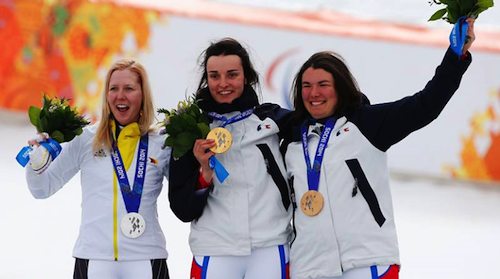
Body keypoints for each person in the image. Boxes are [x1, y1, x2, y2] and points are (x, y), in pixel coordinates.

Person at [282, 19, 475, 279]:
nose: (314, 93)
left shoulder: (367, 124)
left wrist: (455, 57)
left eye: (323, 85)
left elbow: (426, 104)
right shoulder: (290, 140)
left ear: (340, 88)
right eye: (306, 86)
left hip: (368, 262)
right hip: (309, 268)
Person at [25, 59, 171, 279]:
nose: (120, 96)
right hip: (93, 259)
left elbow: (187, 197)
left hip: (146, 259)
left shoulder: (160, 143)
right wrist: (35, 163)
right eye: (114, 88)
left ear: (143, 95)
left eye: (129, 88)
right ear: (106, 95)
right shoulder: (86, 140)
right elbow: (42, 189)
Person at [168, 38, 293, 279]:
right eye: (214, 76)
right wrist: (204, 173)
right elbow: (182, 210)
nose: (223, 83)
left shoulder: (273, 120)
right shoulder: (190, 130)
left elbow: (322, 116)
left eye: (232, 74)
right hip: (215, 251)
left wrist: (355, 101)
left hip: (269, 248)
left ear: (246, 77)